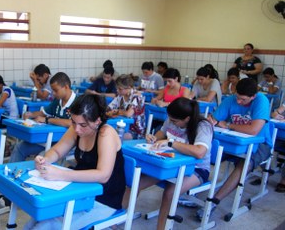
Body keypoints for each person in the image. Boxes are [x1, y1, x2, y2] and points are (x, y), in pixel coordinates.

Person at [24, 94, 125, 229]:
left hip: (103, 198)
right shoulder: (77, 128)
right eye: (73, 122)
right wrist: (45, 160)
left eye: (83, 125)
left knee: (48, 225)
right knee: (37, 218)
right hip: (79, 190)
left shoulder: (105, 133)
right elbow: (58, 151)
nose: (77, 129)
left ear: (97, 121)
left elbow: (103, 175)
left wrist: (60, 174)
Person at [128, 97, 212, 230]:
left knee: (170, 193)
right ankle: (119, 218)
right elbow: (163, 132)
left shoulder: (203, 126)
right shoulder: (173, 118)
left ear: (187, 119)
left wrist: (171, 142)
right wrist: (154, 137)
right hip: (170, 164)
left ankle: (162, 228)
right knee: (135, 182)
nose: (171, 123)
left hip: (196, 169)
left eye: (174, 121)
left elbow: (200, 152)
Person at [200, 78, 272, 219]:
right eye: (237, 97)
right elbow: (214, 120)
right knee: (204, 153)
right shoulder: (231, 99)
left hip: (260, 144)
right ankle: (190, 190)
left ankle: (214, 201)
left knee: (244, 164)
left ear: (253, 96)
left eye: (243, 100)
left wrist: (228, 125)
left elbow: (253, 131)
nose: (239, 102)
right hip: (233, 141)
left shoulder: (261, 101)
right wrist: (212, 121)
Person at [9, 72, 76, 162]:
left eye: (56, 90)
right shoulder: (58, 101)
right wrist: (31, 114)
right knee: (20, 147)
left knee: (41, 157)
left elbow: (71, 122)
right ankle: (13, 175)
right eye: (52, 90)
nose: (53, 93)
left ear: (66, 87)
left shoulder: (78, 102)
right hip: (48, 139)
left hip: (66, 144)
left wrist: (48, 120)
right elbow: (43, 112)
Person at [106, 74, 145, 139]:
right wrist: (108, 112)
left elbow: (128, 114)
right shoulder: (120, 96)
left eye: (120, 89)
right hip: (122, 126)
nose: (117, 91)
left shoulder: (137, 97)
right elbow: (109, 107)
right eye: (117, 88)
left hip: (134, 130)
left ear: (129, 88)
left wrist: (118, 112)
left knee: (113, 137)